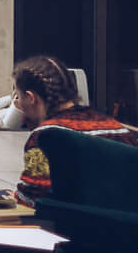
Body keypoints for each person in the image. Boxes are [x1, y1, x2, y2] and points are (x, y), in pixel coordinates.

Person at [12, 55, 138, 201]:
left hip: (78, 214)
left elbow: (31, 198)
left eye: (18, 96)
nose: (18, 104)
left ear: (30, 98)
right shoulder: (117, 128)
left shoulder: (45, 137)